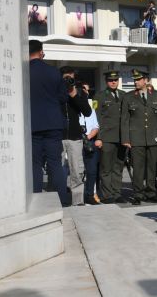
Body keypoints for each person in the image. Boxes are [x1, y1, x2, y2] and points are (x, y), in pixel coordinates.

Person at [121, 69, 157, 205]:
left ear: (146, 80)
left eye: (138, 79)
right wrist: (125, 138)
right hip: (136, 138)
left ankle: (151, 193)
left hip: (153, 137)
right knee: (138, 168)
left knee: (151, 168)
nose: (135, 82)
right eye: (135, 79)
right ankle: (138, 194)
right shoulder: (128, 96)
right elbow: (124, 119)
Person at [28, 40, 68, 206]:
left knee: (35, 165)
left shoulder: (23, 72)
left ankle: (35, 198)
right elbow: (63, 97)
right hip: (53, 123)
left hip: (33, 124)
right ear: (41, 52)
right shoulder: (54, 72)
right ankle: (62, 200)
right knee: (55, 164)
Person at [60, 66, 92, 206]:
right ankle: (57, 199)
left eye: (70, 78)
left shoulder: (78, 92)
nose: (68, 81)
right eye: (65, 78)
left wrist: (74, 94)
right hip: (58, 135)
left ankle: (78, 201)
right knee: (57, 170)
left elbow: (87, 112)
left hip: (75, 136)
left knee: (77, 171)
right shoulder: (55, 91)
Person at [95, 71, 128, 204]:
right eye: (110, 80)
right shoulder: (99, 96)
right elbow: (96, 117)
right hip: (106, 137)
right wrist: (98, 137)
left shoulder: (124, 95)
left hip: (121, 137)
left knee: (118, 167)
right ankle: (107, 195)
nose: (113, 82)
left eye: (115, 80)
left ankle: (117, 193)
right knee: (106, 168)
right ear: (106, 81)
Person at [80, 82, 101, 205]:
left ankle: (89, 195)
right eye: (82, 89)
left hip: (89, 140)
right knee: (74, 171)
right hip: (76, 141)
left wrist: (88, 137)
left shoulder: (91, 105)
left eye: (86, 90)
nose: (84, 92)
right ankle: (76, 196)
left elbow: (96, 125)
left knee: (92, 170)